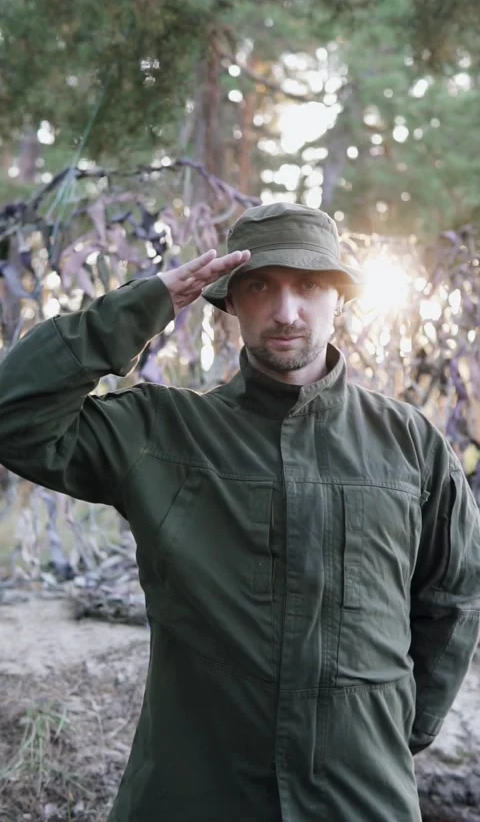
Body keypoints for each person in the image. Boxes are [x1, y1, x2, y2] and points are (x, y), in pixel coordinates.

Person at [0, 201, 479, 822]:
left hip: (361, 795)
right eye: (260, 287)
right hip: (192, 793)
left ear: (340, 298)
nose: (286, 312)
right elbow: (14, 418)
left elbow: (453, 596)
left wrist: (397, 729)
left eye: (308, 286)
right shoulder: (162, 431)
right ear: (229, 303)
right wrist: (143, 307)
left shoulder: (410, 443)